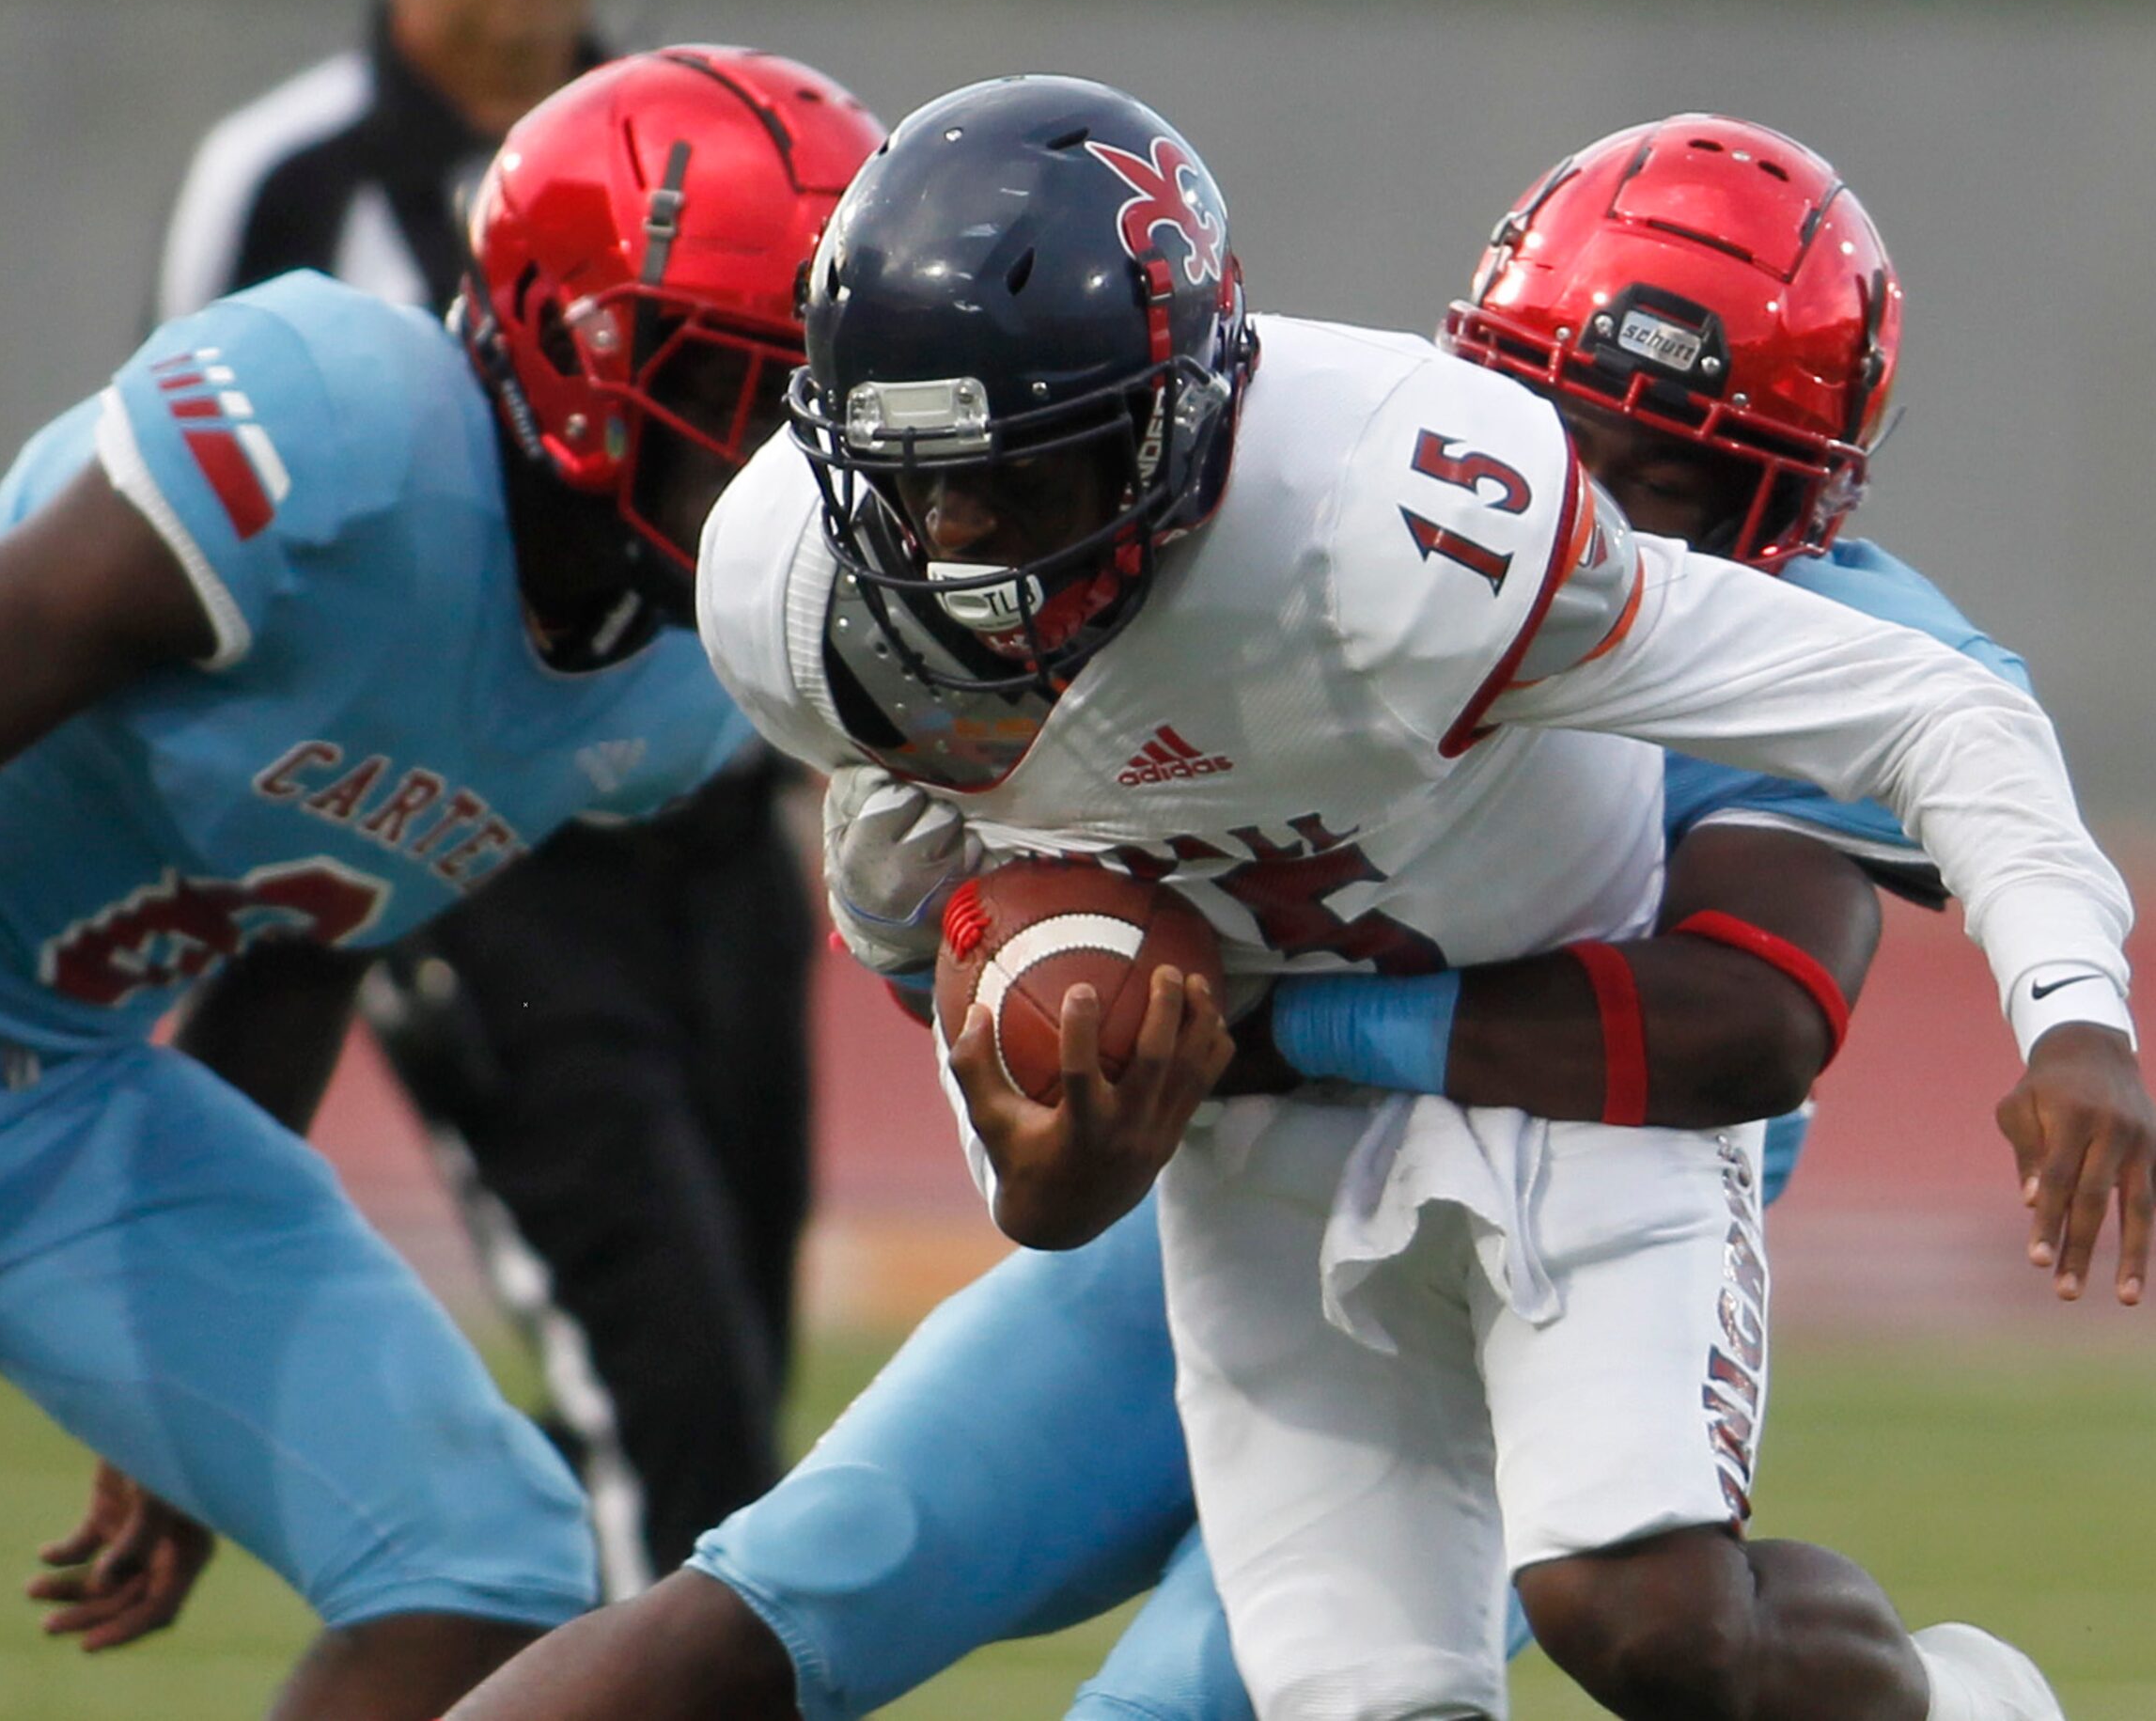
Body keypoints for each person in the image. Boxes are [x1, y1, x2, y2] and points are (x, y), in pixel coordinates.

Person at [454, 87, 2152, 1720]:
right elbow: (965, 972)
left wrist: (2073, 1008)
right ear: (1476, 375)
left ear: (1793, 513)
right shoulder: (922, 568)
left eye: (1678, 483)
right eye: (1548, 411)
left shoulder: (1593, 592)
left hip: (1551, 1189)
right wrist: (1048, 1135)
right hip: (1234, 1168)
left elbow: (1741, 1025)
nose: (1591, 487)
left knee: (1248, 1693)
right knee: (793, 1588)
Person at [0, 45, 882, 1721]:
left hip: (77, 1093)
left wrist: (178, 1404)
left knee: (489, 1557)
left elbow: (316, 931)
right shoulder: (337, 425)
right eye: (751, 390)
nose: (794, 458)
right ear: (594, 355)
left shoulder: (676, 686)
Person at [154, 0, 819, 1591]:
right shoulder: (288, 174)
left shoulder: (721, 139)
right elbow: (186, 510)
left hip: (711, 817)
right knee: (668, 1395)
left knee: (734, 1370)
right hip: (481, 841)